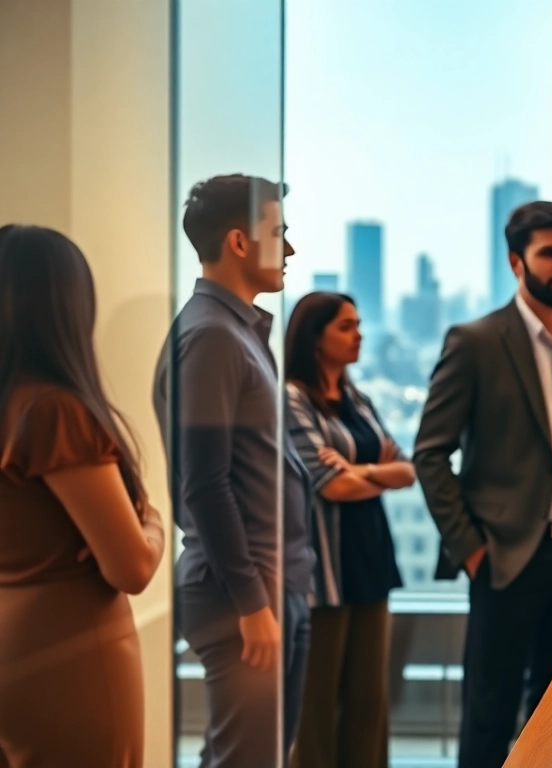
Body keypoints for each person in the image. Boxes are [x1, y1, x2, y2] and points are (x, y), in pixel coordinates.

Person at [414, 201, 552, 768]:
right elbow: (430, 454)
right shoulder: (476, 342)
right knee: (490, 714)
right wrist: (473, 550)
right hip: (508, 558)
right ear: (516, 262)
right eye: (550, 253)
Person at [152, 175, 315, 768]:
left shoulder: (236, 332)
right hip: (243, 595)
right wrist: (252, 602)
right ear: (240, 243)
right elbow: (204, 484)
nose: (290, 250)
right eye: (280, 234)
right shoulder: (212, 338)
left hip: (270, 589)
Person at [0, 225, 166, 767]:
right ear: (68, 307)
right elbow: (133, 568)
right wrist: (150, 519)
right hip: (69, 656)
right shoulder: (52, 410)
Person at [284, 292, 415, 768]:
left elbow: (406, 470)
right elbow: (329, 486)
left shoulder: (357, 398)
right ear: (314, 338)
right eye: (346, 326)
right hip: (323, 572)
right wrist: (369, 473)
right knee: (316, 709)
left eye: (358, 323)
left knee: (368, 703)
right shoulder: (292, 398)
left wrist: (359, 472)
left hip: (369, 561)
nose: (359, 334)